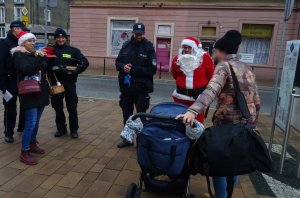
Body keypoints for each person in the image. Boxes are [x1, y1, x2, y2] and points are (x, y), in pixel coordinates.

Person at [177, 30, 260, 198]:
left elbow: (211, 90)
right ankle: (227, 194)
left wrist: (193, 111)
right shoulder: (246, 67)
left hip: (226, 126)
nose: (213, 54)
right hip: (246, 124)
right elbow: (256, 99)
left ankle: (220, 196)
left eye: (215, 51)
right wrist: (253, 123)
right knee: (234, 162)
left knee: (218, 164)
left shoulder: (223, 66)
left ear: (222, 51)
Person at [116, 22, 157, 148]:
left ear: (143, 33)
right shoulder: (126, 45)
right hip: (126, 88)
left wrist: (133, 69)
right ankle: (127, 139)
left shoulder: (149, 47)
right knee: (126, 115)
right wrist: (123, 67)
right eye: (137, 33)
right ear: (133, 32)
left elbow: (152, 70)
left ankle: (141, 141)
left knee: (140, 116)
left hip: (141, 89)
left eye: (141, 34)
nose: (139, 36)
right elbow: (118, 63)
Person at [11, 31, 49, 165]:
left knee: (37, 122)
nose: (33, 42)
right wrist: (39, 58)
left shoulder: (35, 54)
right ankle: (24, 151)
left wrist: (43, 57)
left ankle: (32, 143)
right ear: (22, 43)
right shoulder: (19, 55)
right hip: (29, 93)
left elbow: (44, 68)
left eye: (34, 40)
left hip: (40, 91)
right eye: (30, 40)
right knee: (31, 123)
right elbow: (27, 70)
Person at [50, 28, 89, 139]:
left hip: (69, 82)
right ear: (55, 38)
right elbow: (44, 64)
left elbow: (85, 62)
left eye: (62, 37)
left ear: (66, 38)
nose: (60, 39)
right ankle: (61, 128)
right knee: (57, 107)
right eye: (58, 37)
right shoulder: (50, 50)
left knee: (72, 107)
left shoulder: (73, 50)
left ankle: (74, 129)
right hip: (56, 83)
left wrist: (76, 70)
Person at [171, 37, 214, 123]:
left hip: (197, 99)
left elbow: (210, 75)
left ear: (194, 48)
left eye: (189, 47)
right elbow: (175, 74)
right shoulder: (177, 58)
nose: (186, 49)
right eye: (184, 47)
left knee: (196, 123)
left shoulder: (205, 58)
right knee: (180, 120)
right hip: (180, 97)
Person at [0, 21, 27, 143]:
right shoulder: (4, 43)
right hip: (10, 80)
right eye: (21, 29)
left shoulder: (22, 42)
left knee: (25, 105)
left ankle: (21, 128)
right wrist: (2, 84)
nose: (23, 31)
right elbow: (0, 64)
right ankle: (8, 133)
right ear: (14, 29)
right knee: (10, 108)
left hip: (22, 79)